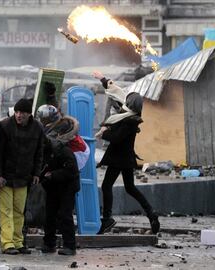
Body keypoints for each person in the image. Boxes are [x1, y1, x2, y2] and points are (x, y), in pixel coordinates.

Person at [93, 72, 160, 235]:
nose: (122, 105)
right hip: (125, 157)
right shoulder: (130, 115)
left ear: (129, 106)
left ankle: (107, 219)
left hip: (119, 158)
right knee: (130, 188)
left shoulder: (129, 121)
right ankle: (151, 214)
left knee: (107, 185)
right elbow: (117, 94)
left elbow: (115, 138)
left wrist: (104, 132)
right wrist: (103, 79)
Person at [0, 98, 44, 255]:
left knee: (19, 212)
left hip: (23, 177)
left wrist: (36, 173)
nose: (19, 115)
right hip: (6, 178)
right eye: (16, 112)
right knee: (6, 211)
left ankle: (18, 242)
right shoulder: (5, 126)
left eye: (22, 112)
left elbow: (39, 152)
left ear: (29, 114)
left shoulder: (37, 128)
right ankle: (7, 244)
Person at [40, 137, 80, 256]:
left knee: (65, 215)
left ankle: (70, 245)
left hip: (67, 186)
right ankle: (49, 243)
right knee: (49, 215)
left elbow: (72, 171)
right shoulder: (41, 151)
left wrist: (53, 175)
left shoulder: (62, 150)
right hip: (52, 186)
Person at [36, 104, 90, 170]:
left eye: (43, 119)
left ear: (49, 119)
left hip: (77, 153)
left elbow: (53, 143)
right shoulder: (56, 122)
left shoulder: (61, 127)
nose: (40, 121)